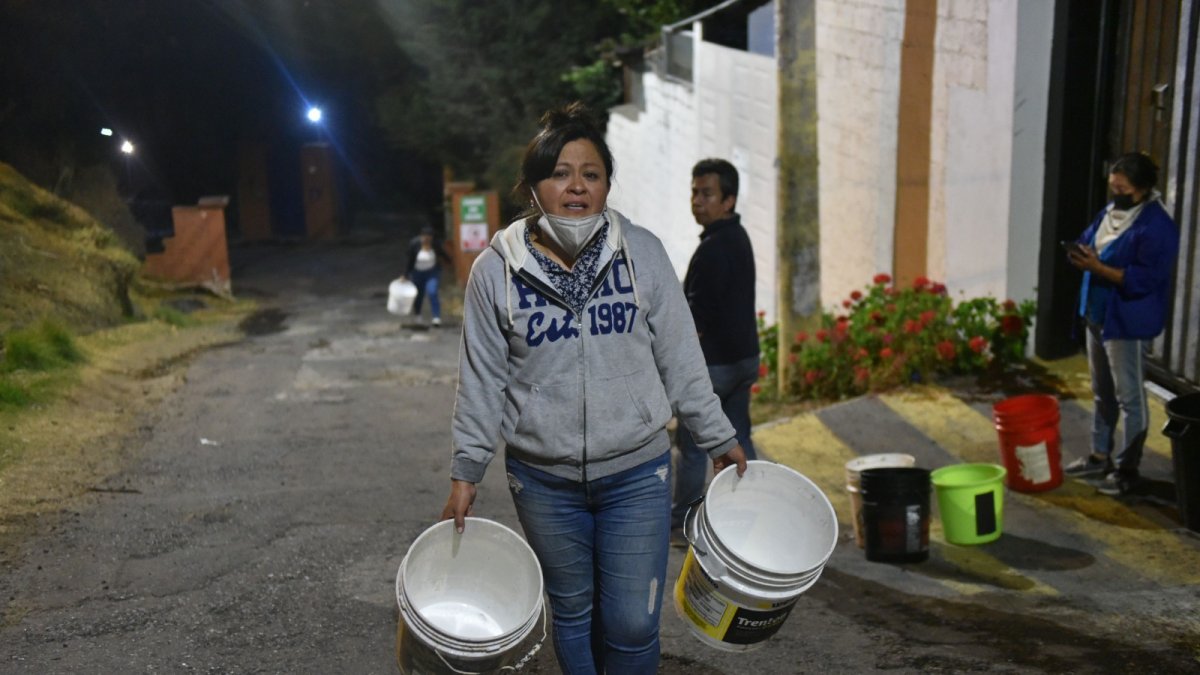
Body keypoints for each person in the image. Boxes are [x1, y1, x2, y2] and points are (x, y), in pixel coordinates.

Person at [441, 102, 747, 675]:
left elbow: (680, 355)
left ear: (607, 184)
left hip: (637, 472)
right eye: (560, 173)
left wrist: (717, 435)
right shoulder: (495, 271)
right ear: (534, 187)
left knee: (633, 621)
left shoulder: (642, 253)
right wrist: (467, 471)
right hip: (542, 480)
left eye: (591, 173)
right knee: (575, 612)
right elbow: (482, 377)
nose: (576, 186)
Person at [1064, 152, 1179, 496]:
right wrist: (1079, 253)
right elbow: (1089, 238)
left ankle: (1128, 469)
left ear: (1142, 189)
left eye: (1123, 188)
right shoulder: (1112, 212)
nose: (1116, 193)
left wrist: (1099, 269)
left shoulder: (1156, 227)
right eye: (1113, 186)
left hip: (1126, 321)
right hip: (1097, 315)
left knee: (1130, 398)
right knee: (1103, 392)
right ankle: (1100, 456)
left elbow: (1145, 280)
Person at [670, 158, 760, 542]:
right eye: (694, 192)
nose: (697, 201)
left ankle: (683, 522)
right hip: (745, 359)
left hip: (716, 367)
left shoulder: (711, 251)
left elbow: (695, 319)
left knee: (693, 446)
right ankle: (753, 509)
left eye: (707, 194)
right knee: (738, 435)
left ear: (729, 200)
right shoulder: (738, 238)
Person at [402, 225, 451, 326]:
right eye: (424, 237)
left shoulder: (436, 245)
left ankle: (436, 317)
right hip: (417, 273)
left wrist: (448, 262)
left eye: (429, 237)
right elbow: (410, 260)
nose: (426, 239)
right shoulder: (414, 244)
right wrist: (406, 274)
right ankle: (418, 315)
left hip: (431, 272)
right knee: (418, 294)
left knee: (432, 292)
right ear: (421, 236)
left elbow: (443, 254)